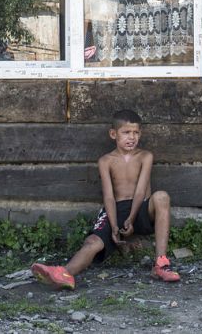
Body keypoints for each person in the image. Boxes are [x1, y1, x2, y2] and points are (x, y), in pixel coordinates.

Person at [31, 109, 181, 289]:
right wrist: (115, 225)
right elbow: (108, 196)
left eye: (135, 132)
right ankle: (64, 273)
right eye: (126, 132)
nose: (131, 137)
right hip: (115, 210)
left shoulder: (145, 157)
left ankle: (161, 264)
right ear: (113, 134)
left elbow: (141, 191)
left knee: (162, 196)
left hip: (140, 208)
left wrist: (131, 218)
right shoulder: (106, 161)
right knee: (92, 242)